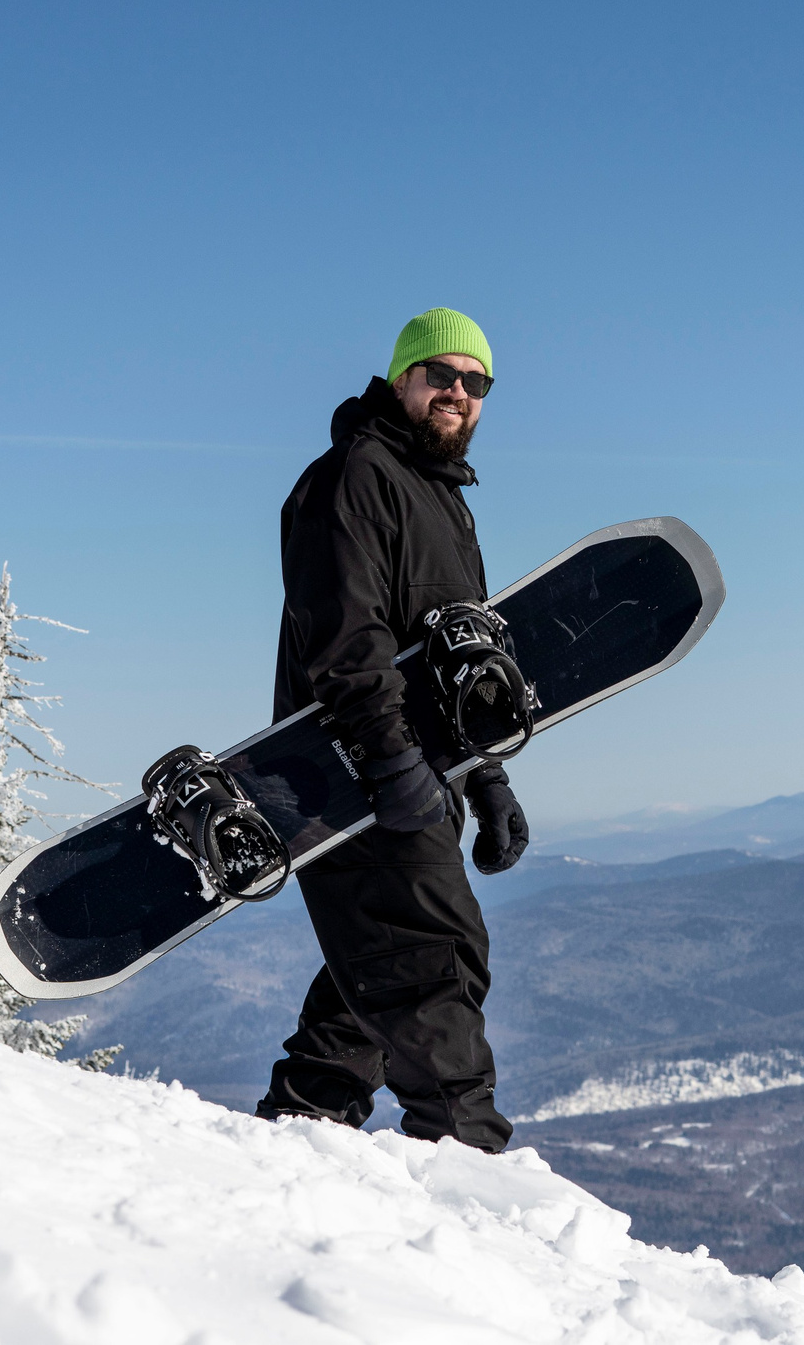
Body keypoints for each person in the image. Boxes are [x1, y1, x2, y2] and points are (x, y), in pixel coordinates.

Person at [253, 307, 531, 1151]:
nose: (457, 392)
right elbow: (347, 637)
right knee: (437, 962)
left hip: (419, 775)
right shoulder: (352, 477)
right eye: (440, 375)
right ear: (400, 378)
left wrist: (487, 778)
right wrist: (391, 759)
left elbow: (465, 659)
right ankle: (468, 1165)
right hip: (354, 773)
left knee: (381, 969)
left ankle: (299, 1132)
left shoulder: (445, 502)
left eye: (474, 382)